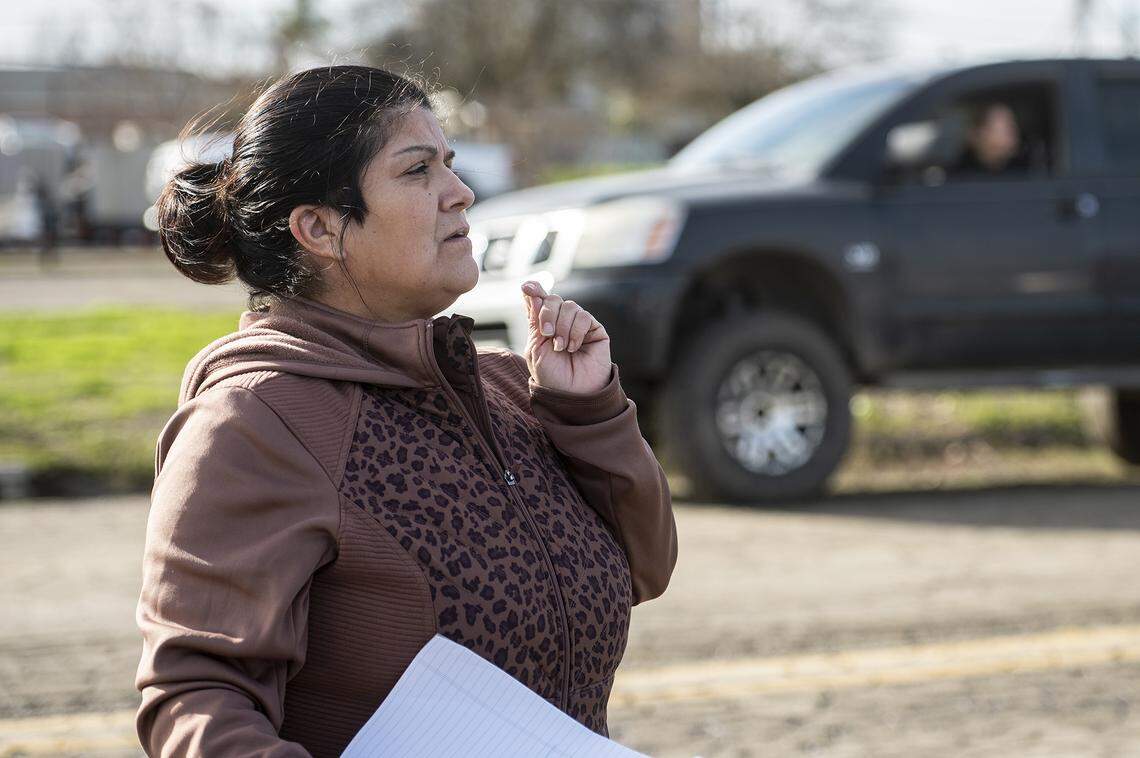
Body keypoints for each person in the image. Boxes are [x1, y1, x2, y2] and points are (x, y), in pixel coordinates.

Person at [133, 65, 678, 757]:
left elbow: (643, 568)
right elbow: (196, 703)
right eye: (418, 171)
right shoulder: (253, 422)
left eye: (449, 163)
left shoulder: (507, 387)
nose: (462, 192)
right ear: (320, 228)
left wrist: (587, 410)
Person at [947, 101, 1035, 177]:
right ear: (978, 133)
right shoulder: (960, 176)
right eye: (1006, 126)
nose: (1014, 130)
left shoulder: (1027, 170)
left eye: (1012, 124)